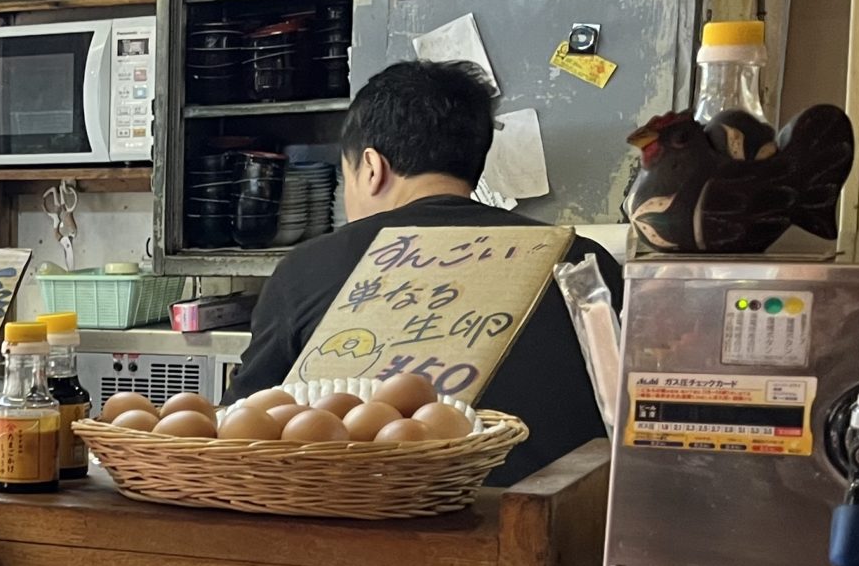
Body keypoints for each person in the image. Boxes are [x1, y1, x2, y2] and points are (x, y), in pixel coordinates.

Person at [230, 59, 619, 483]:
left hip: (363, 513)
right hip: (564, 518)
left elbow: (241, 427)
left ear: (372, 168)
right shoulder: (584, 262)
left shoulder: (307, 267)